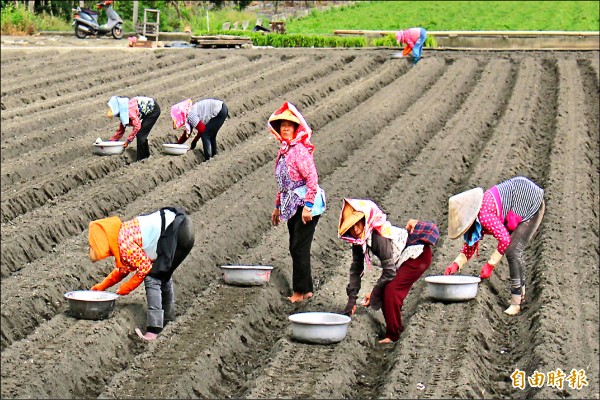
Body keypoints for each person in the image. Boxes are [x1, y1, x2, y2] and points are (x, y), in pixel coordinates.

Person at [338, 198, 439, 344]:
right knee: (387, 289)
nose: (356, 230)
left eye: (357, 224)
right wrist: (351, 301)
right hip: (403, 259)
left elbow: (389, 272)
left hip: (417, 256)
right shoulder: (359, 243)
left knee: (391, 291)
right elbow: (356, 269)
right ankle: (396, 328)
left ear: (365, 221)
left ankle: (393, 335)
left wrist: (374, 294)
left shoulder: (378, 237)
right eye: (351, 228)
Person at [88, 207, 195, 341]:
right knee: (163, 274)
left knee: (152, 277)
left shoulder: (124, 244)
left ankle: (153, 330)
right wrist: (101, 287)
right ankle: (168, 318)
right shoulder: (123, 232)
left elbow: (145, 267)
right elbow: (123, 270)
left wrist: (127, 287)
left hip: (177, 232)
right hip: (182, 224)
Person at [444, 176, 545, 315]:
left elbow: (504, 239)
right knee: (515, 250)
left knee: (513, 251)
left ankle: (516, 303)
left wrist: (490, 265)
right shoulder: (478, 214)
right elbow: (471, 244)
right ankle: (521, 291)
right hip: (522, 198)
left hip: (531, 203)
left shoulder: (484, 215)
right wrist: (456, 265)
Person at [268, 101, 326, 303]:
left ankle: (299, 293)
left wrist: (308, 206)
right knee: (296, 246)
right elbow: (284, 183)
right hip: (291, 203)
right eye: (282, 125)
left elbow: (312, 179)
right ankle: (306, 289)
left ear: (295, 128)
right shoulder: (284, 151)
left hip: (304, 204)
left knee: (299, 248)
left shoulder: (299, 151)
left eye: (289, 125)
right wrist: (277, 206)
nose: (285, 128)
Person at [107, 95, 160, 161]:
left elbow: (137, 126)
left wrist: (128, 141)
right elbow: (121, 130)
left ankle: (141, 159)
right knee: (141, 135)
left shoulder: (129, 111)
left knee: (140, 134)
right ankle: (146, 156)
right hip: (148, 110)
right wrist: (111, 142)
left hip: (153, 110)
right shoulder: (124, 111)